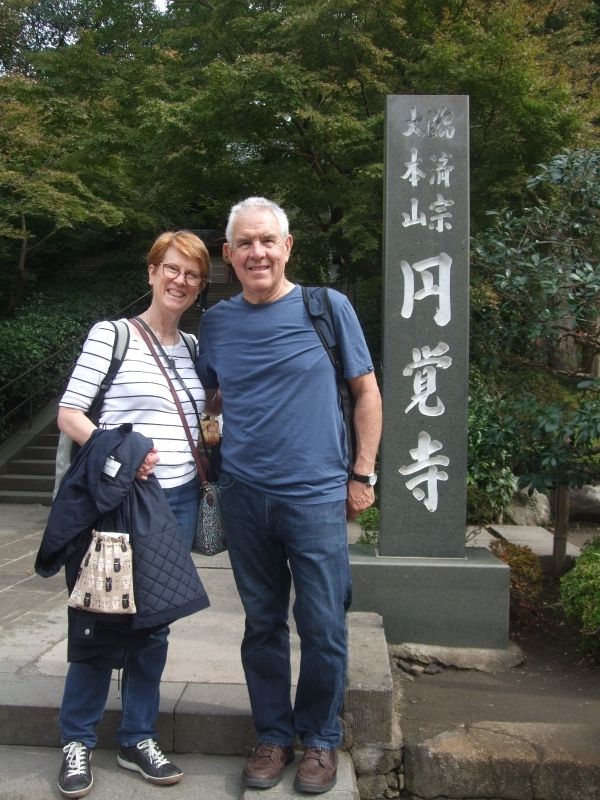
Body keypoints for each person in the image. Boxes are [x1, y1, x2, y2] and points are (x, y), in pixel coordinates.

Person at [196, 197, 382, 794]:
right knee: (262, 624)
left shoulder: (326, 308)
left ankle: (321, 740)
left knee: (324, 624)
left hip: (316, 496)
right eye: (245, 243)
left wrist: (363, 473)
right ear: (228, 254)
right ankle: (274, 736)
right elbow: (211, 396)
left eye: (267, 241)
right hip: (244, 496)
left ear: (287, 246)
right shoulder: (218, 323)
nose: (257, 253)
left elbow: (366, 392)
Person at [48, 230, 212, 798]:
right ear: (151, 272)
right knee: (99, 616)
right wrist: (123, 455)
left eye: (192, 274)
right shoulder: (112, 335)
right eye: (171, 268)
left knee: (154, 622)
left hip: (180, 499)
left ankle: (138, 734)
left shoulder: (191, 350)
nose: (180, 281)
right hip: (120, 502)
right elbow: (70, 414)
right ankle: (77, 739)